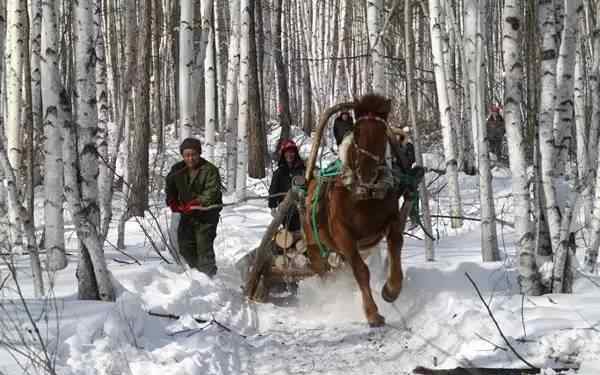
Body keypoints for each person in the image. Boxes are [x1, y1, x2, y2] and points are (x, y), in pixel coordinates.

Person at [165, 138, 223, 277]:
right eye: (187, 155)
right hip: (187, 214)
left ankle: (209, 278)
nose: (190, 158)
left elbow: (212, 192)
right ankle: (196, 275)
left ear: (199, 153)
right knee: (185, 246)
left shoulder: (210, 170)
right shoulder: (177, 169)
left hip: (206, 215)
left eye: (193, 154)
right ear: (183, 156)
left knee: (204, 247)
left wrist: (196, 203)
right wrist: (172, 200)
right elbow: (170, 186)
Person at [268, 139, 306, 231]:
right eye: (287, 152)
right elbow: (273, 190)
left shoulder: (303, 170)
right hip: (286, 210)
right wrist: (272, 207)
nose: (289, 155)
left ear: (295, 154)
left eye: (292, 152)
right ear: (283, 154)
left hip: (303, 208)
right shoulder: (279, 172)